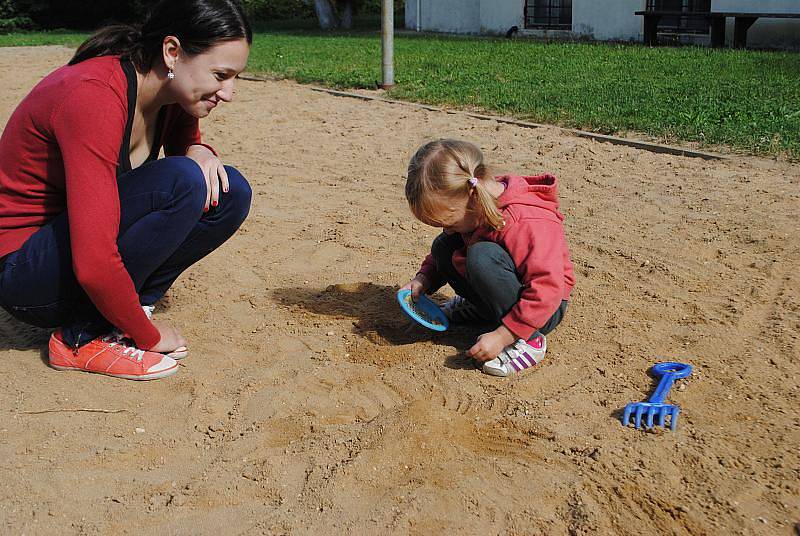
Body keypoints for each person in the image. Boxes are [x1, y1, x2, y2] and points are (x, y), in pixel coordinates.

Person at [0, 0, 253, 380]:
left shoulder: (170, 94)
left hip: (66, 251)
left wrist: (200, 148)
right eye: (220, 75)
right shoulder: (94, 94)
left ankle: (124, 309)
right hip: (24, 272)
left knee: (230, 192)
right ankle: (82, 338)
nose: (228, 92)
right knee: (183, 181)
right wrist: (147, 336)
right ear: (172, 52)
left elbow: (188, 143)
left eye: (235, 78)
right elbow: (93, 256)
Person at [401, 139, 575, 377]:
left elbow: (548, 289)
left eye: (449, 223)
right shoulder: (475, 206)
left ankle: (530, 342)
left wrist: (503, 336)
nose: (448, 229)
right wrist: (423, 279)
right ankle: (483, 309)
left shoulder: (527, 221)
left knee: (482, 256)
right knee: (444, 245)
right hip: (511, 294)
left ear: (473, 195)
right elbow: (447, 243)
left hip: (543, 309)